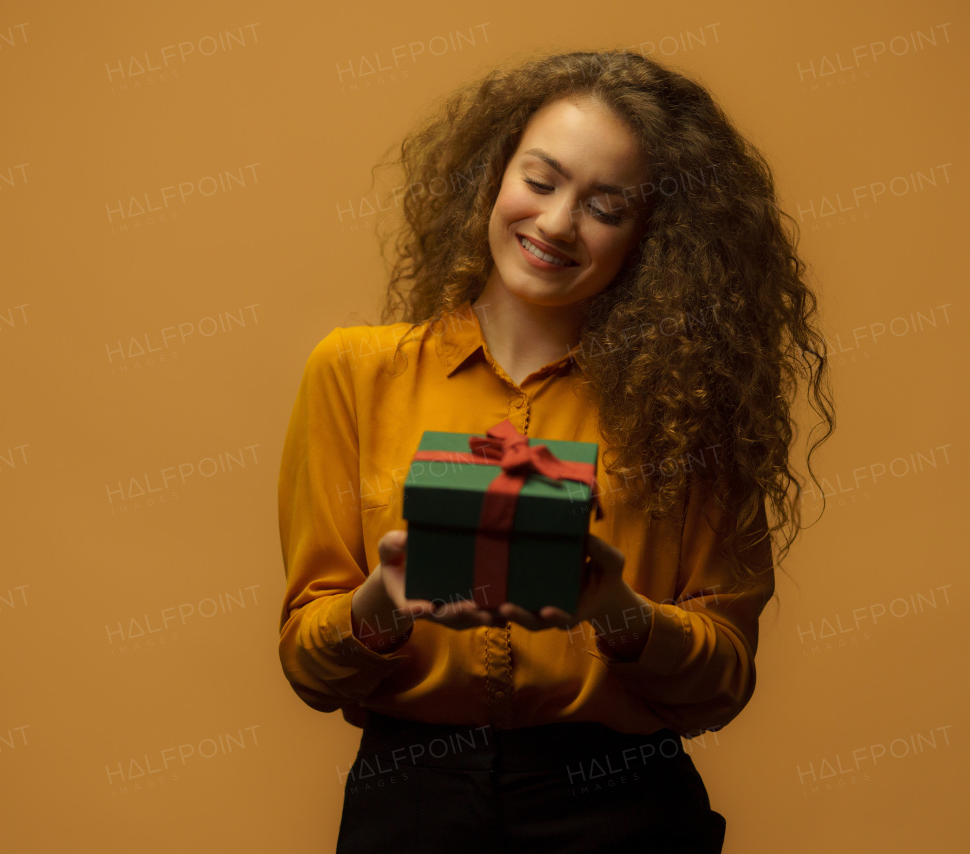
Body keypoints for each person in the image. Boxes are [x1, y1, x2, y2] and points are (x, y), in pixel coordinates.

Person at [276, 49, 835, 853]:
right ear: (493, 178)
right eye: (540, 182)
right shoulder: (354, 374)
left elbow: (721, 684)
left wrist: (618, 611)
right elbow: (306, 664)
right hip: (411, 804)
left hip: (621, 807)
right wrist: (381, 606)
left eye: (606, 207)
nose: (556, 224)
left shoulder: (691, 406)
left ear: (652, 236)